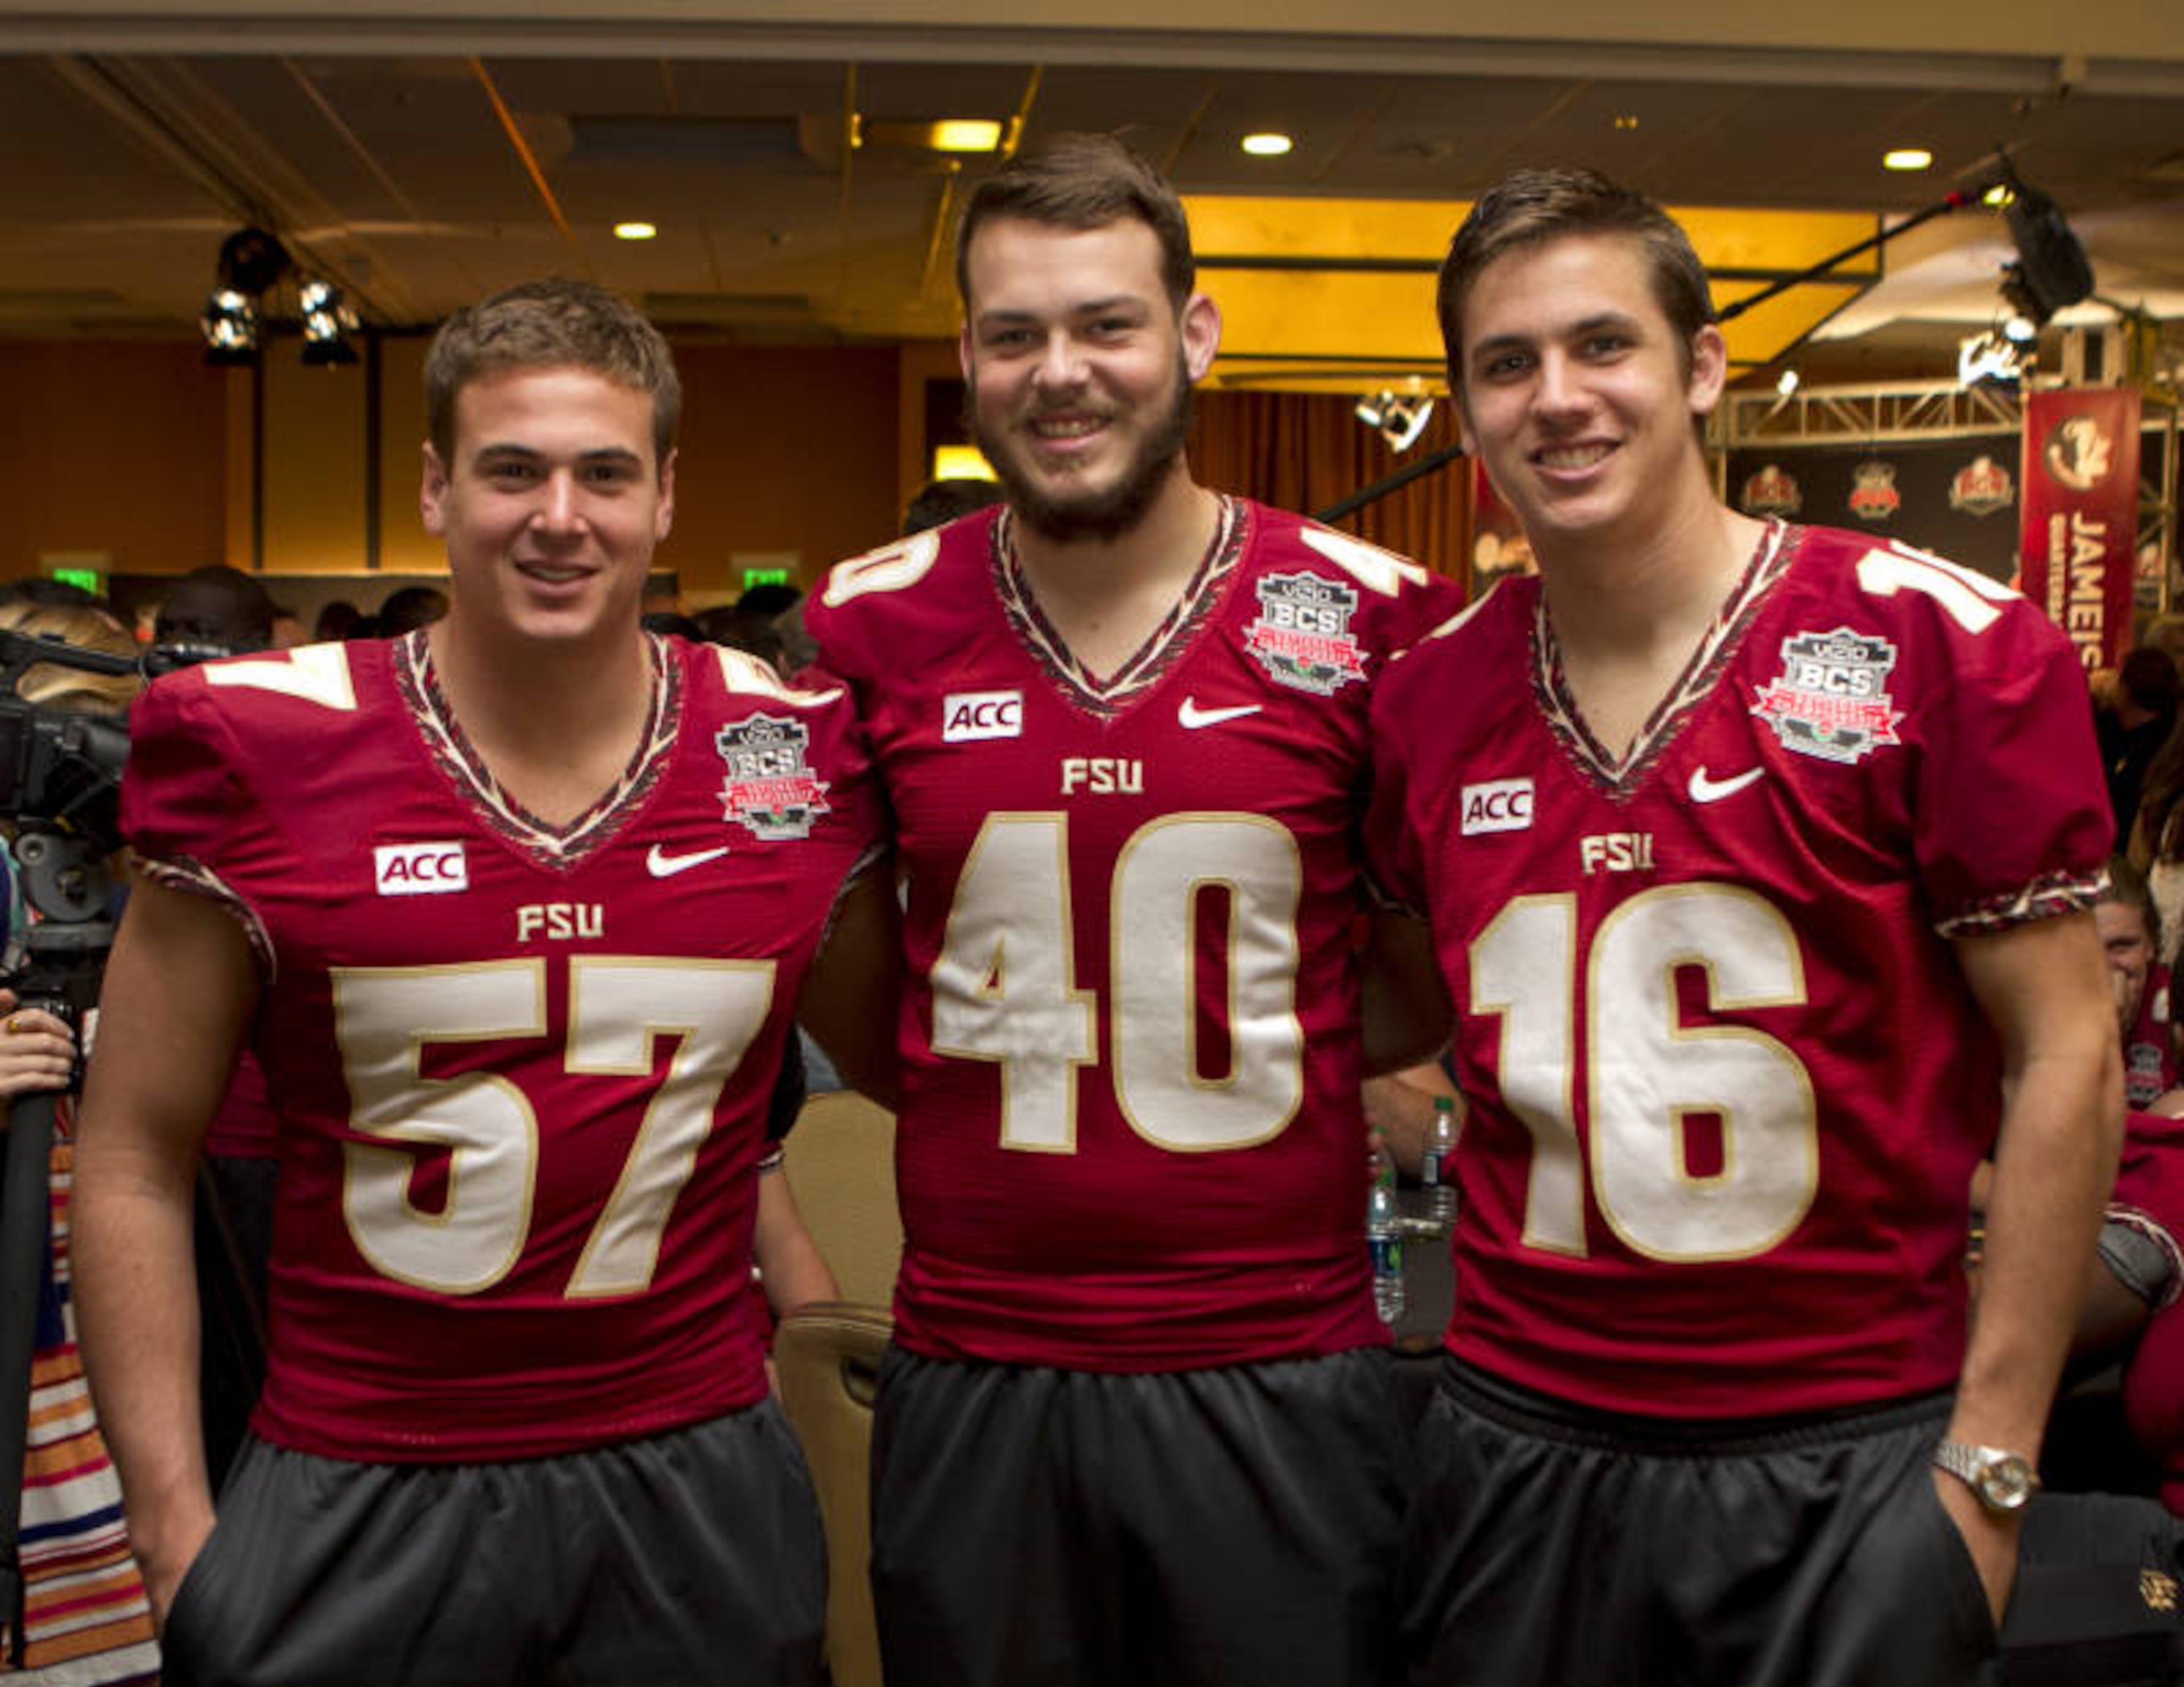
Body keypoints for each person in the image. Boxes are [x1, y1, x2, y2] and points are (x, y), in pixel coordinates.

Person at [1366, 168, 2121, 1686]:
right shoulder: (1423, 692)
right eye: (1506, 364)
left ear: (1702, 365)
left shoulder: (1938, 647)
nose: (1557, 398)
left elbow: (2069, 1048)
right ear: (1463, 408)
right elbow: (1391, 1007)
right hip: (1520, 1439)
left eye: (1603, 346)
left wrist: (1991, 1460)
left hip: (1843, 1449)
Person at [72, 278, 873, 1686]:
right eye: (513, 469)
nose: (559, 515)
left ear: (667, 496)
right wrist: (176, 1537)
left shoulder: (791, 752)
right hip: (358, 1475)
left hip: (692, 1482)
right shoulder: (263, 747)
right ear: (439, 487)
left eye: (604, 473)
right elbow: (136, 1150)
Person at [801, 133, 1462, 1687]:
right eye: (1015, 332)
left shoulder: (1369, 616)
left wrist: (1234, 1034)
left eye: (1106, 323)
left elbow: (1415, 977)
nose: (1062, 372)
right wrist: (1014, 1052)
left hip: (1279, 1365)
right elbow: (860, 991)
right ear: (968, 354)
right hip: (979, 1366)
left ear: (1195, 335)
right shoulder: (870, 618)